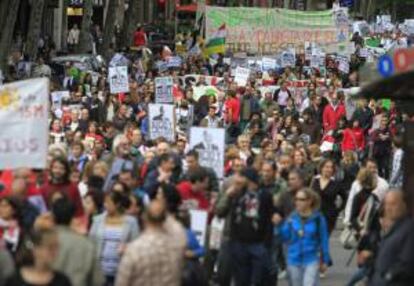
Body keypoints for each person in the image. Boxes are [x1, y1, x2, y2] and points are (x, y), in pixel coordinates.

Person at [223, 167, 275, 286]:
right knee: (241, 279)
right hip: (239, 243)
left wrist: (266, 243)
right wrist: (227, 196)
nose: (238, 180)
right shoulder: (237, 193)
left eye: (241, 177)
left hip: (258, 243)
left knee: (258, 279)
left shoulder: (265, 195)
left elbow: (269, 219)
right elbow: (222, 212)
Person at [115, 200, 186, 286]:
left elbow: (121, 282)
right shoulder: (177, 243)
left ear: (144, 218)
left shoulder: (133, 250)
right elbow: (176, 226)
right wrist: (161, 211)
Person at [273, 188, 331, 286]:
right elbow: (284, 238)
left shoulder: (318, 218)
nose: (298, 202)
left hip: (311, 259)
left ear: (309, 201)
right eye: (296, 199)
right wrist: (278, 226)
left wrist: (325, 259)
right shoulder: (292, 218)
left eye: (301, 199)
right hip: (293, 259)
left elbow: (324, 240)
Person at [89, 192, 139, 286]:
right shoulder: (98, 220)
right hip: (100, 270)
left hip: (121, 271)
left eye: (108, 202)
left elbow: (136, 245)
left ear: (117, 204)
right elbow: (91, 243)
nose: (105, 205)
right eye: (104, 202)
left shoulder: (131, 222)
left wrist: (127, 248)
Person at [51, 198, 104, 286]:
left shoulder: (42, 241)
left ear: (53, 216)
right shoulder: (86, 244)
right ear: (73, 217)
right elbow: (97, 280)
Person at [369, 190, 414, 286]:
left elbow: (406, 263)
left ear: (403, 205)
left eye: (393, 204)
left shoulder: (409, 229)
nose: (389, 208)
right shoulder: (393, 228)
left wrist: (388, 276)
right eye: (386, 204)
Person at [6, 229, 71, 286]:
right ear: (35, 249)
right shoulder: (15, 280)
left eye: (56, 247)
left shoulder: (62, 281)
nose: (55, 252)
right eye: (50, 247)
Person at [310, 159, 346, 234]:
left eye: (331, 167)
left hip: (329, 217)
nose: (329, 169)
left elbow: (345, 198)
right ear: (321, 168)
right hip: (314, 214)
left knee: (323, 239)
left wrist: (337, 210)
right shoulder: (315, 181)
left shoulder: (336, 183)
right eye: (326, 167)